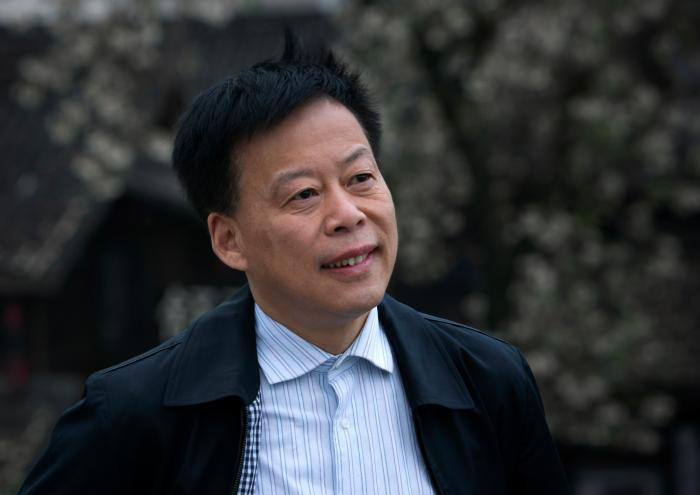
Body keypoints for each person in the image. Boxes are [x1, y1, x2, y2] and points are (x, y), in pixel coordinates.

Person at [18, 35, 570, 494]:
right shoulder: (135, 414)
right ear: (229, 240)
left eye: (360, 179)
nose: (348, 214)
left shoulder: (487, 382)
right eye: (304, 194)